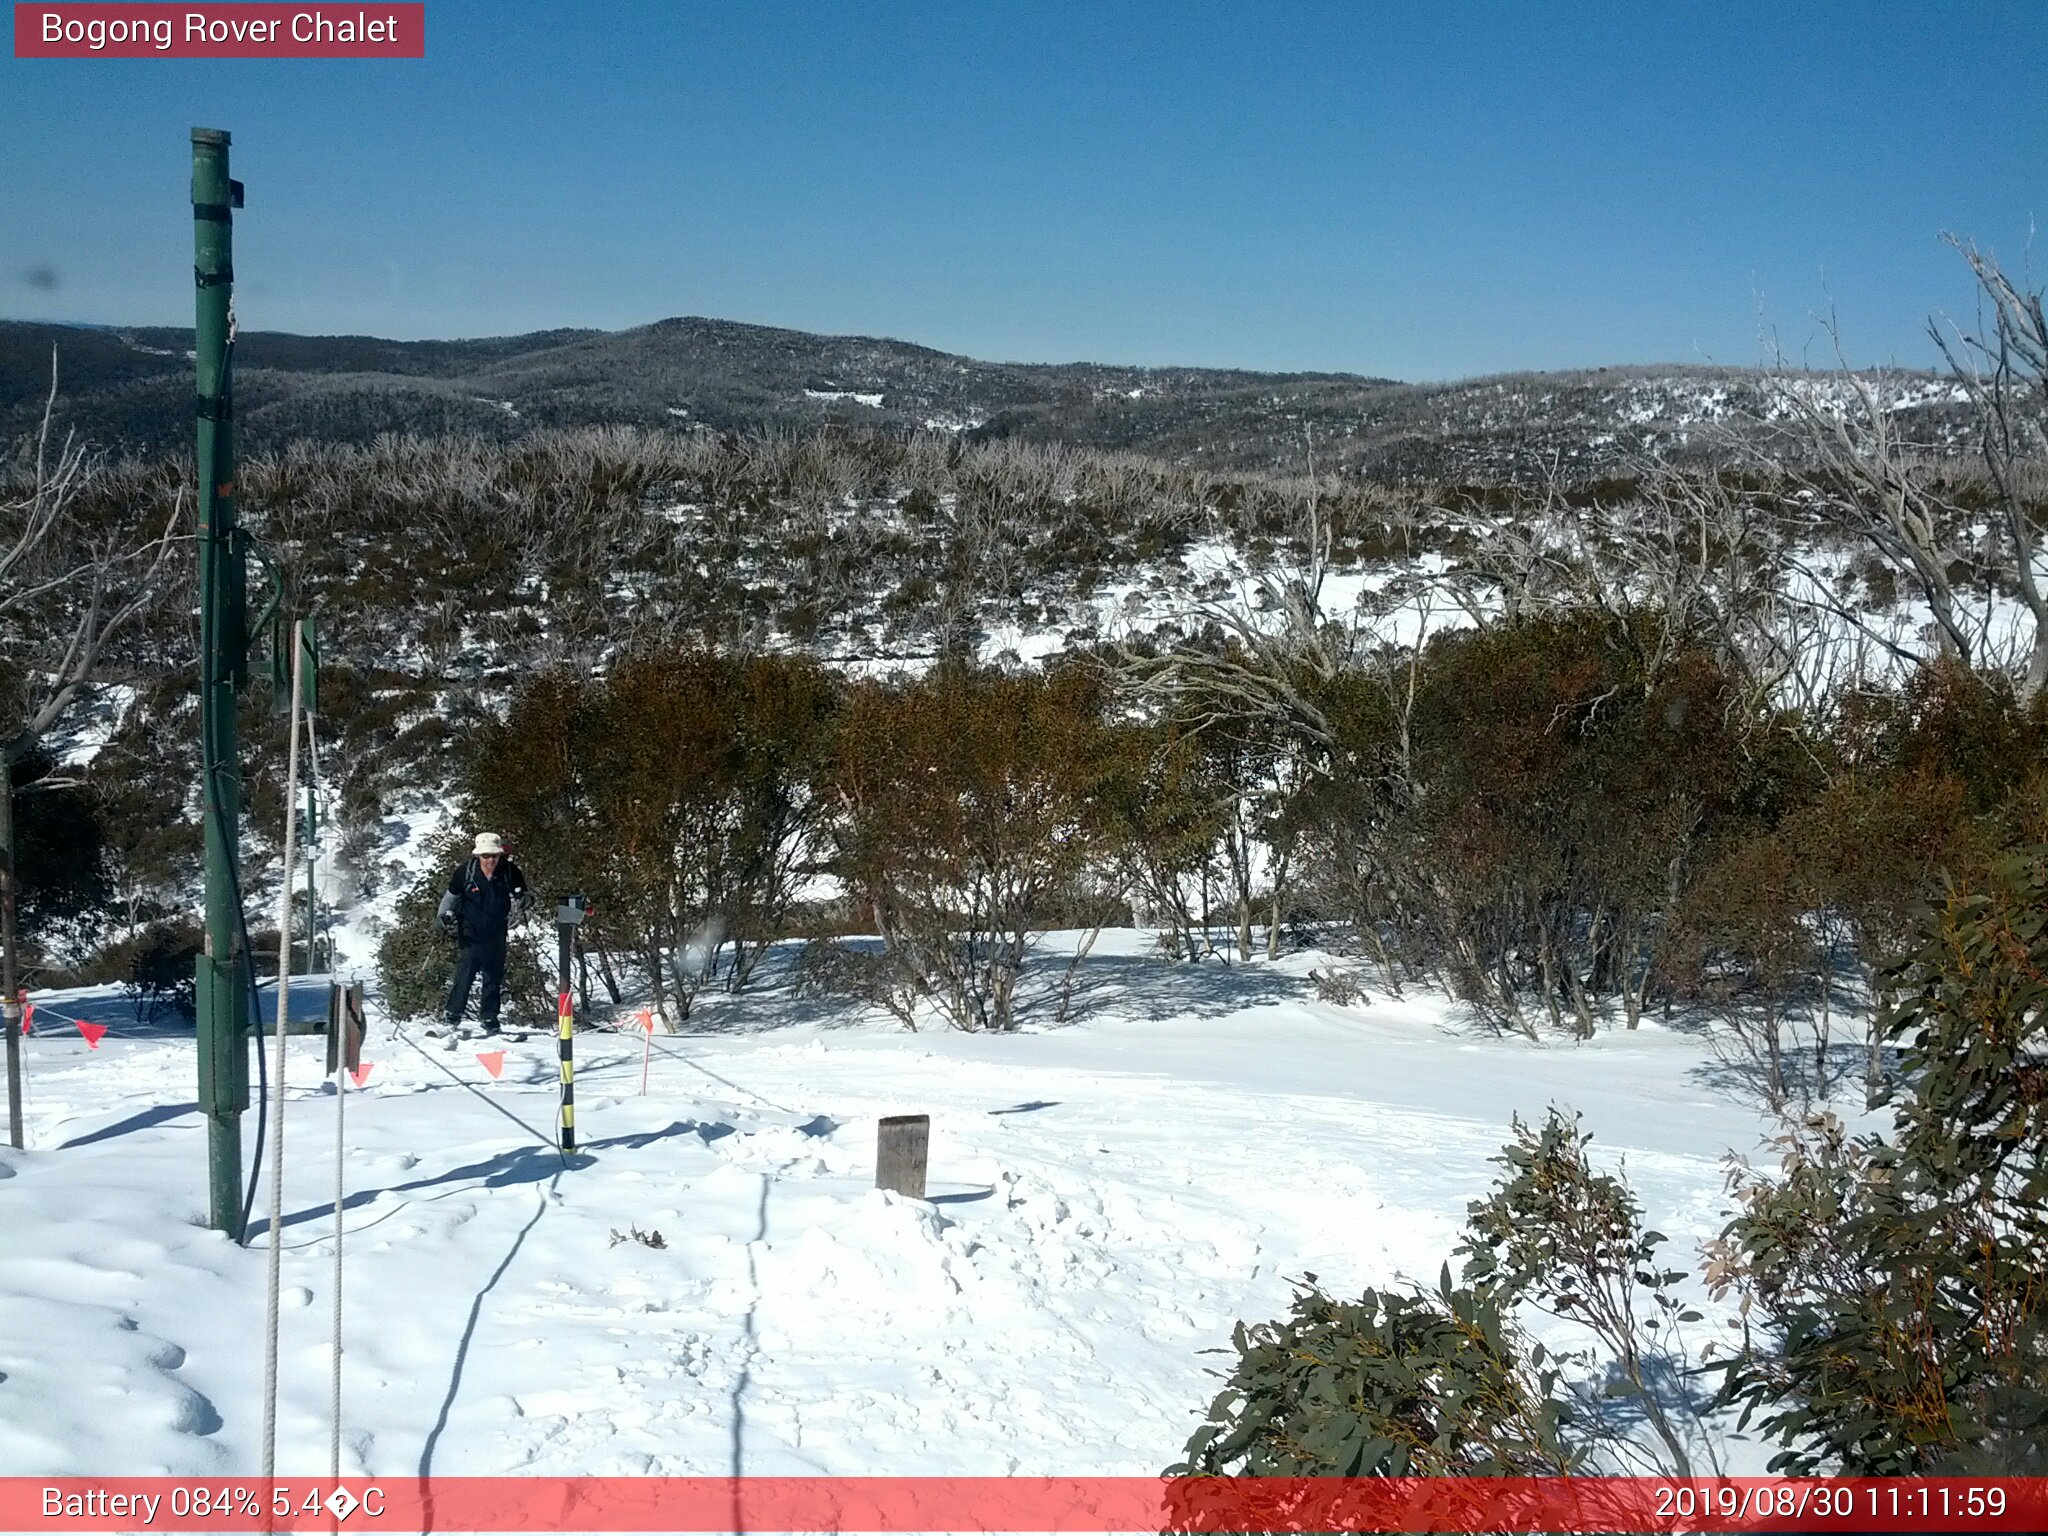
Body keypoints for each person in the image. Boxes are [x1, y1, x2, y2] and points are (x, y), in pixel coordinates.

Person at [434, 832, 533, 1038]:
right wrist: (443, 916)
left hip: (497, 930)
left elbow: (526, 896)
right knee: (466, 972)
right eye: (486, 856)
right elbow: (450, 897)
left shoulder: (509, 871)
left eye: (494, 856)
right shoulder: (466, 871)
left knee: (493, 975)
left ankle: (489, 1018)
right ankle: (452, 1016)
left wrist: (525, 901)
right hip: (470, 931)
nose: (491, 860)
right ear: (479, 856)